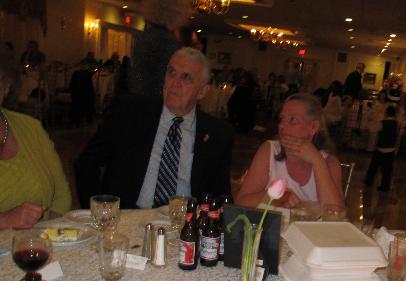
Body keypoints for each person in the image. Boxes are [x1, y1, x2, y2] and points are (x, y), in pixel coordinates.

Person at [75, 47, 234, 209]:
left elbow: (221, 195)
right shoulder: (128, 113)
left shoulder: (218, 135)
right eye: (171, 73)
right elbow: (87, 162)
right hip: (128, 217)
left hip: (184, 220)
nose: (174, 83)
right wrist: (96, 210)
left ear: (202, 92)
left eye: (186, 77)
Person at [0, 50, 71, 229]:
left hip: (38, 242)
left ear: (6, 87)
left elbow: (61, 194)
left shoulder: (31, 128)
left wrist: (47, 237)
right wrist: (5, 220)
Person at [235, 93, 344, 209]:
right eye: (282, 118)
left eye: (292, 119)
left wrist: (318, 161)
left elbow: (335, 212)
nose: (281, 126)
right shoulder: (270, 151)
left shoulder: (329, 162)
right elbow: (241, 202)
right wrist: (272, 197)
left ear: (313, 127)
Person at [364, 105, 399, 192]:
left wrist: (370, 120)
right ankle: (385, 186)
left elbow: (373, 129)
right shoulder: (396, 123)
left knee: (373, 167)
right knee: (387, 170)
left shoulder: (383, 123)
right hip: (391, 150)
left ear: (386, 113)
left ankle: (369, 181)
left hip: (381, 149)